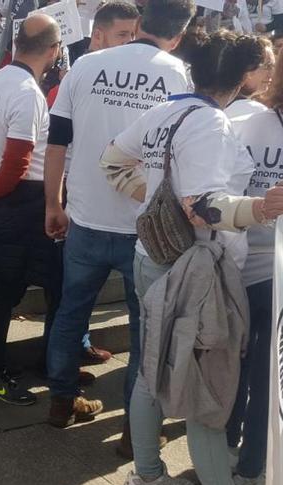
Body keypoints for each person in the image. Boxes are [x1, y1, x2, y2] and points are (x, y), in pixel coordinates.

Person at [100, 30, 282, 485]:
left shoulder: (166, 110)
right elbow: (201, 206)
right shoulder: (211, 124)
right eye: (260, 66)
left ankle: (147, 478)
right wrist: (259, 209)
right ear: (243, 76)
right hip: (191, 271)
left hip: (153, 258)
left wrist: (150, 203)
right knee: (206, 388)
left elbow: (111, 161)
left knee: (150, 367)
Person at [42, 0, 193, 448]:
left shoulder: (86, 67)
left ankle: (61, 401)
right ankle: (134, 429)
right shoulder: (179, 75)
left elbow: (56, 144)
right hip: (147, 231)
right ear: (180, 35)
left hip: (85, 218)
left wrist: (53, 201)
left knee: (70, 315)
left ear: (141, 24)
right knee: (143, 329)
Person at [0, 14, 64, 407]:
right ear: (53, 51)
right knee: (3, 290)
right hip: (15, 200)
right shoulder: (27, 93)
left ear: (17, 42)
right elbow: (17, 162)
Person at [224, 49, 283, 485]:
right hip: (268, 270)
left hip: (243, 264)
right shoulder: (248, 121)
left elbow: (226, 192)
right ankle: (250, 470)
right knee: (269, 376)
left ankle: (225, 448)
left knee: (239, 363)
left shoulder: (245, 123)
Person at [227, 37, 275, 120]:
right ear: (246, 68)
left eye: (273, 67)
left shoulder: (216, 105)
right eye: (267, 66)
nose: (271, 74)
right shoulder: (257, 112)